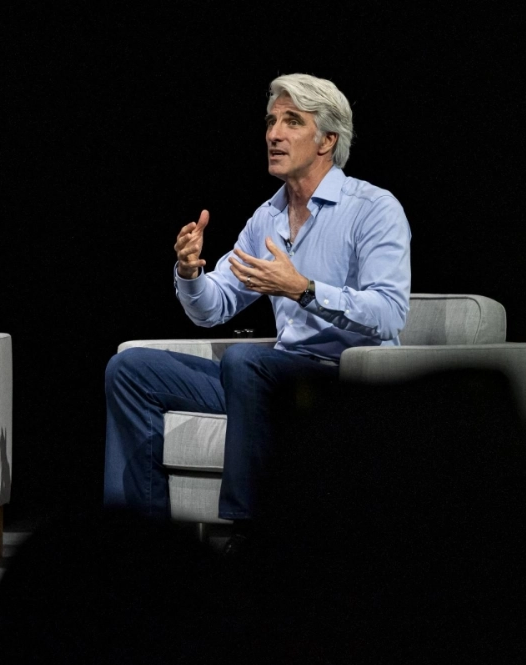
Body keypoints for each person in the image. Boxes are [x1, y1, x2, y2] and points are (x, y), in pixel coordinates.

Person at [103, 74, 411, 538]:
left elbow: (389, 314)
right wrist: (190, 273)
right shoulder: (267, 217)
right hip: (268, 378)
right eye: (271, 122)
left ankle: (246, 536)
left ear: (328, 139)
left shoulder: (372, 208)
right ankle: (137, 541)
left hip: (341, 378)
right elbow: (214, 308)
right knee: (128, 367)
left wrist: (304, 289)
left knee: (247, 360)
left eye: (292, 121)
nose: (273, 134)